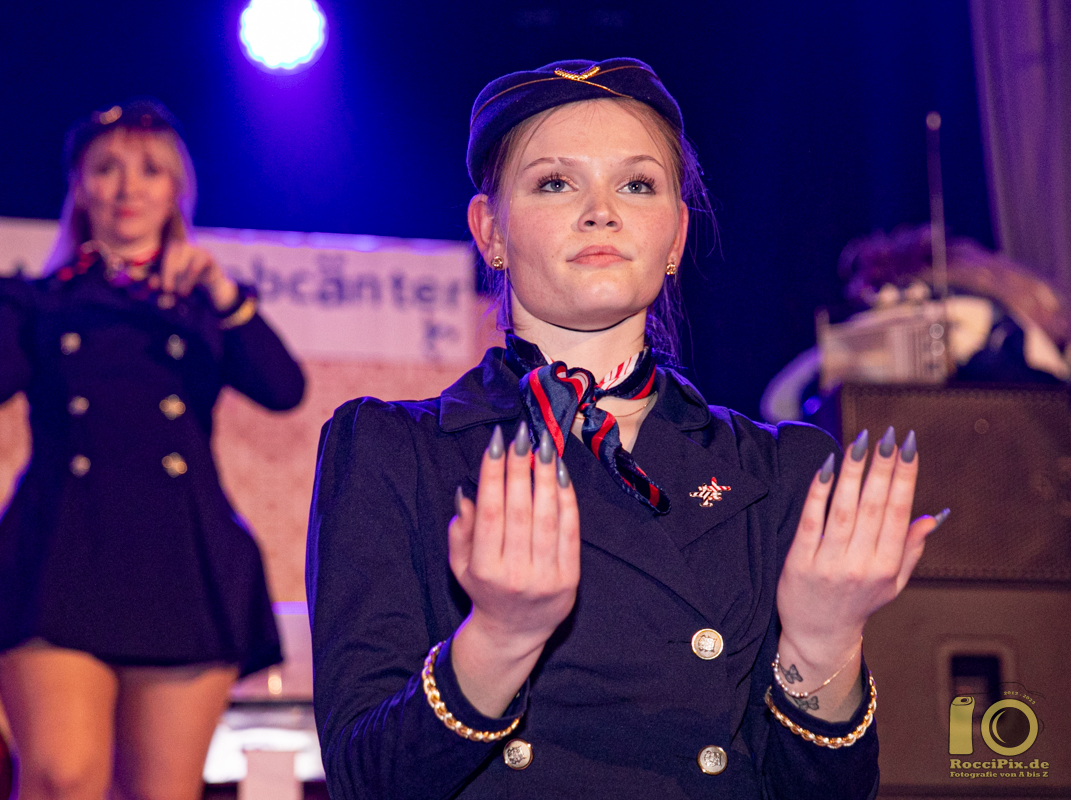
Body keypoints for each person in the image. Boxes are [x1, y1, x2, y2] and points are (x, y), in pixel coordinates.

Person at [306, 59, 946, 799]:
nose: (600, 212)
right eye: (555, 183)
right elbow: (362, 782)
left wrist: (825, 642)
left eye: (637, 184)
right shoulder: (391, 451)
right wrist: (497, 643)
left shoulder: (782, 470)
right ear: (490, 231)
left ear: (676, 235)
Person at [0, 100, 305, 800]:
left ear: (176, 191)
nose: (128, 187)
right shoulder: (34, 300)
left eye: (149, 170)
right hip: (59, 558)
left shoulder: (207, 305)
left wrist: (224, 292)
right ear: (80, 187)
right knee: (63, 776)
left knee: (162, 792)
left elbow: (283, 389)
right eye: (107, 169)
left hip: (183, 565)